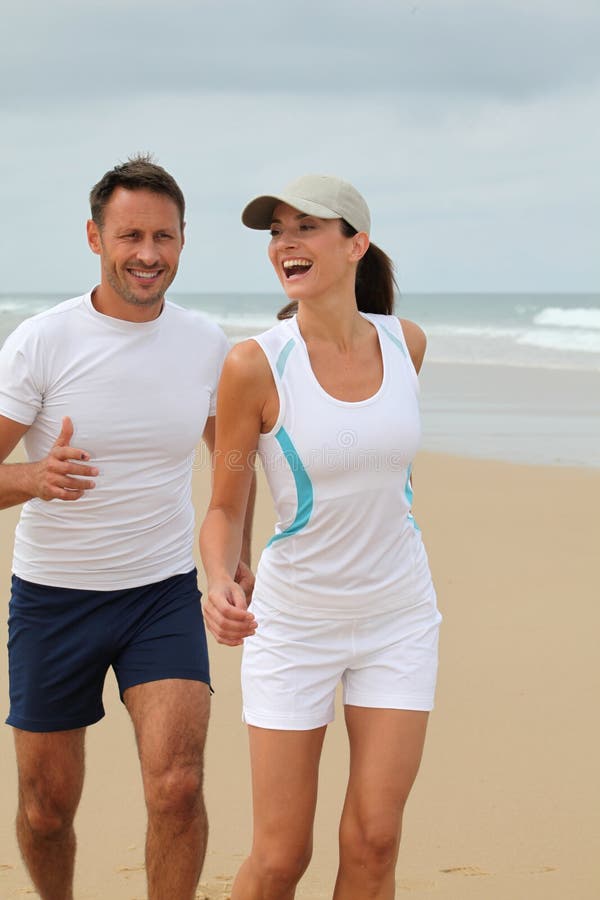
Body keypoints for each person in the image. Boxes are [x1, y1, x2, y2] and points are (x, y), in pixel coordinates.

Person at [0, 154, 253, 900]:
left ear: (182, 242)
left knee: (176, 786)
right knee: (47, 810)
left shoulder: (208, 345)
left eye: (164, 237)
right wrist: (30, 478)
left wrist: (232, 559)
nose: (148, 254)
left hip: (161, 594)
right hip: (54, 600)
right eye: (131, 235)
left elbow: (231, 468)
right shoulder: (42, 343)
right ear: (94, 237)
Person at [200, 174, 442, 899]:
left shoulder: (408, 344)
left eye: (306, 227)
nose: (286, 243)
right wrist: (219, 581)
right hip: (294, 624)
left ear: (355, 244)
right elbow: (223, 506)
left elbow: (386, 475)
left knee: (375, 840)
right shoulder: (253, 364)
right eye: (277, 231)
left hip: (399, 617)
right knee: (280, 857)